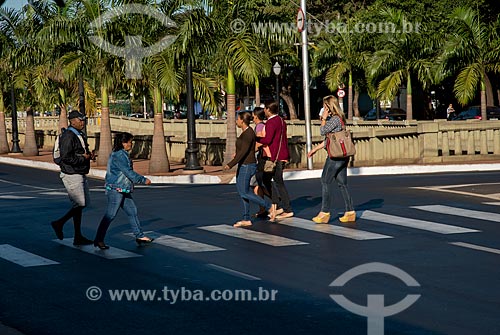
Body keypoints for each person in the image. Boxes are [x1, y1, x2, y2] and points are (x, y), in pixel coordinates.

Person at [93, 132, 153, 249]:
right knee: (110, 214)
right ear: (123, 143)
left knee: (132, 211)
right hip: (116, 189)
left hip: (122, 188)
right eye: (129, 142)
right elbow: (127, 171)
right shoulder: (120, 155)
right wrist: (142, 179)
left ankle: (139, 235)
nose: (131, 144)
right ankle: (99, 239)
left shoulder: (120, 154)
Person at [307, 95, 355, 224]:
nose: (323, 108)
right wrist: (314, 150)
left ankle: (325, 212)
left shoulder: (334, 120)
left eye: (325, 105)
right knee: (342, 184)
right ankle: (350, 212)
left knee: (325, 181)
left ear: (329, 106)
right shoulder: (339, 119)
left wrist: (323, 118)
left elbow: (323, 131)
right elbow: (330, 140)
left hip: (334, 157)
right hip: (342, 156)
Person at [50, 110, 94, 245]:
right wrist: (82, 158)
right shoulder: (69, 136)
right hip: (71, 173)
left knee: (81, 204)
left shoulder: (78, 134)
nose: (82, 123)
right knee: (80, 204)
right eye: (80, 120)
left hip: (78, 172)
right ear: (72, 121)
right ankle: (59, 223)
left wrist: (87, 156)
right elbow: (66, 157)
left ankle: (77, 236)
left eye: (83, 120)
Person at [224, 111, 271, 228]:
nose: (236, 121)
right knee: (243, 192)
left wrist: (230, 164)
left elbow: (244, 151)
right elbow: (244, 150)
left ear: (242, 120)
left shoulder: (249, 133)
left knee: (244, 191)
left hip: (248, 165)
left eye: (237, 119)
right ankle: (246, 218)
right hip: (243, 164)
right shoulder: (246, 132)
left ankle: (268, 206)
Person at [258, 101, 293, 221]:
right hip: (283, 154)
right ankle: (278, 204)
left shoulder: (271, 122)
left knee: (275, 181)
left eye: (265, 109)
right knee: (272, 180)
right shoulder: (281, 121)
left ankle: (286, 208)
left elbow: (267, 140)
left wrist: (257, 138)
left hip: (276, 157)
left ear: (268, 109)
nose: (264, 111)